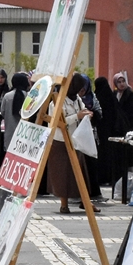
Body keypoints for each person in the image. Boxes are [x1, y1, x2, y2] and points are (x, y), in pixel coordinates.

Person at [47, 74, 95, 214]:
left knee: (80, 172)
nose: (80, 91)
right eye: (78, 87)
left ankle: (85, 202)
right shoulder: (57, 102)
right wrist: (77, 116)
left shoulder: (77, 99)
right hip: (61, 141)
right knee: (63, 174)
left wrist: (86, 114)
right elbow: (56, 122)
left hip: (75, 140)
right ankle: (64, 204)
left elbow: (82, 109)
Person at [93, 76, 124, 195]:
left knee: (101, 155)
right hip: (111, 132)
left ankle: (102, 177)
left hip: (101, 132)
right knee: (110, 155)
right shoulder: (111, 97)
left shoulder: (98, 97)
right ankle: (110, 177)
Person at [1, 72, 29, 149]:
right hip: (25, 134)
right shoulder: (28, 96)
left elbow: (2, 112)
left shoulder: (7, 96)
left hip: (10, 132)